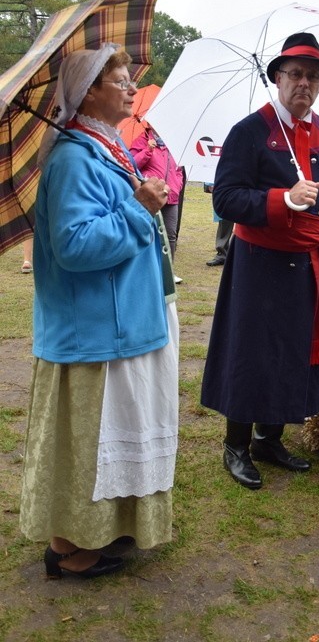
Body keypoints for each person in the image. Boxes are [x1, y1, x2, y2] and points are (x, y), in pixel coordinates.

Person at [19, 44, 179, 579]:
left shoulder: (105, 147)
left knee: (113, 436)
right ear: (89, 91)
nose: (132, 88)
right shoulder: (72, 157)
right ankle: (69, 548)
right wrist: (140, 208)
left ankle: (105, 529)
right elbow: (75, 246)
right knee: (87, 446)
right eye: (120, 80)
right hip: (93, 330)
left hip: (120, 322)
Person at [201, 32, 319, 490]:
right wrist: (284, 199)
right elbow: (225, 199)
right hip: (259, 263)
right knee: (253, 350)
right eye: (296, 74)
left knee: (292, 349)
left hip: (309, 264)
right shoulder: (250, 131)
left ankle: (270, 437)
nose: (304, 83)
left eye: (313, 76)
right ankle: (237, 445)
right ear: (278, 78)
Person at [130, 124, 184, 283]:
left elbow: (179, 170)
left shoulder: (172, 143)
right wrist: (147, 150)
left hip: (170, 196)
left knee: (170, 236)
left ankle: (168, 273)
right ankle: (146, 272)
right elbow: (132, 164)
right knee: (148, 232)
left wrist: (176, 187)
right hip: (150, 196)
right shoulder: (142, 140)